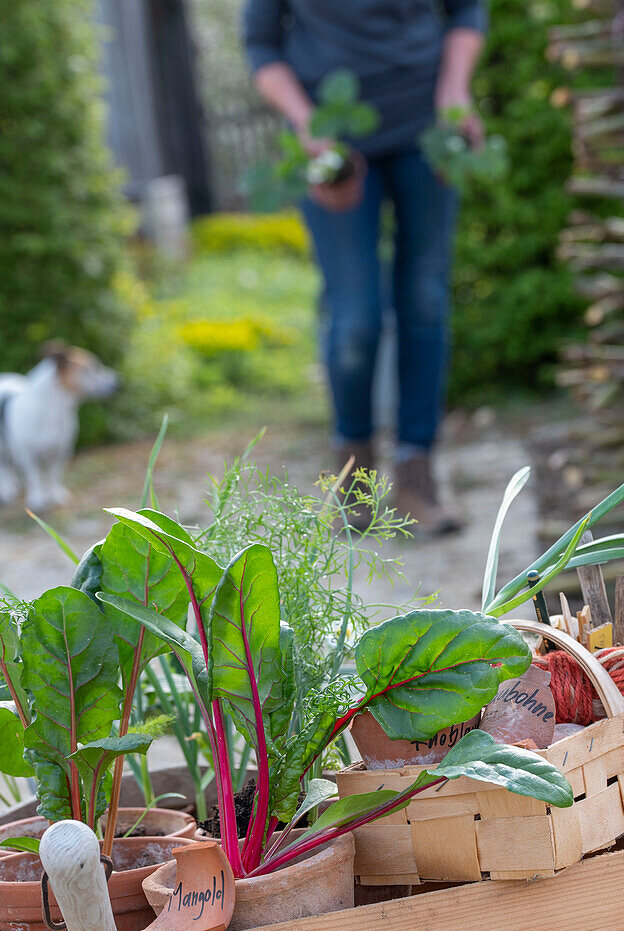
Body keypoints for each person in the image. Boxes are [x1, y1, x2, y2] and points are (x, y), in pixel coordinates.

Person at [243, 1, 486, 536]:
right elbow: (261, 43)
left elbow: (467, 9)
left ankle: (417, 483)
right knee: (355, 317)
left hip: (426, 131)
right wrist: (306, 122)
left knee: (423, 298)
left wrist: (455, 90)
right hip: (329, 140)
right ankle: (353, 486)